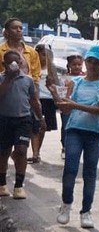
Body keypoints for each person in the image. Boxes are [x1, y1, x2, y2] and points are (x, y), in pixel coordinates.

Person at [56, 45, 99, 228]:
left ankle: (86, 211)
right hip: (75, 129)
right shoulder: (76, 82)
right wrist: (54, 92)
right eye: (90, 61)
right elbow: (65, 107)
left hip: (95, 133)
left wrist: (74, 105)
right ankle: (66, 203)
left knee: (90, 172)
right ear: (86, 61)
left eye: (97, 62)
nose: (93, 65)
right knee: (70, 168)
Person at [0, 49, 44, 199]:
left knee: (21, 150)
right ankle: (2, 184)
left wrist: (40, 118)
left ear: (20, 63)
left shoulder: (27, 80)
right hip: (4, 119)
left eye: (16, 62)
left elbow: (33, 100)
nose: (13, 65)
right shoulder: (1, 78)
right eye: (9, 63)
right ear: (4, 64)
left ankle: (19, 185)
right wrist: (8, 78)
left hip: (23, 119)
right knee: (3, 151)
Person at [30, 45, 57, 164]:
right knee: (35, 127)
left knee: (43, 127)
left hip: (48, 99)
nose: (45, 58)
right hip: (36, 98)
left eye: (47, 55)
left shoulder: (52, 69)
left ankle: (37, 151)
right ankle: (35, 153)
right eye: (42, 55)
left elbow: (58, 83)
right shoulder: (32, 67)